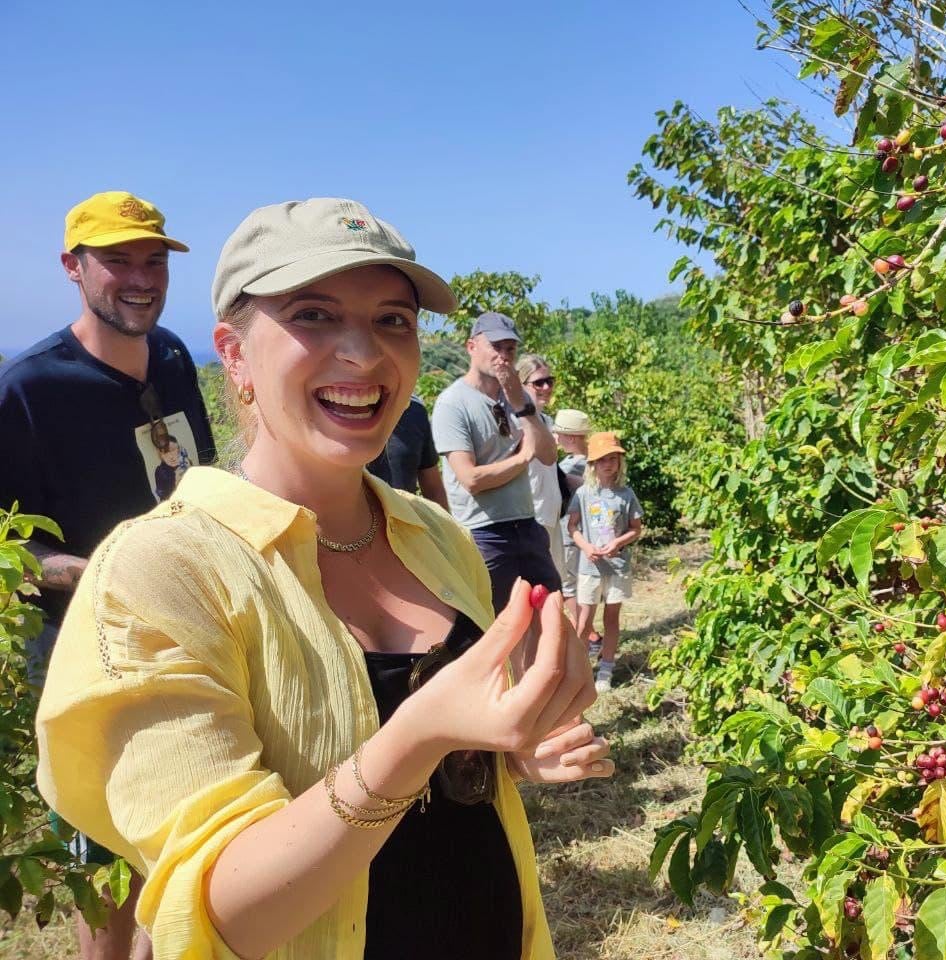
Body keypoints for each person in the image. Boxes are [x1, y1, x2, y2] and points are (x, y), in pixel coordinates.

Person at [35, 197, 610, 960]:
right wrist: (418, 735)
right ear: (232, 354)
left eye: (392, 321)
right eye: (312, 315)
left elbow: (450, 765)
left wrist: (509, 750)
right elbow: (223, 914)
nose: (364, 354)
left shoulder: (434, 534)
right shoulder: (160, 572)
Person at [0, 189, 215, 960]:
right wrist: (100, 573)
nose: (140, 277)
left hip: (190, 632)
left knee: (183, 832)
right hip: (81, 654)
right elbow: (5, 545)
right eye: (117, 260)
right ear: (72, 267)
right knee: (104, 856)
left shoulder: (176, 357)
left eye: (153, 260)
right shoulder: (29, 388)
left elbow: (198, 478)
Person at [432, 312, 561, 611]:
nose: (503, 355)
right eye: (496, 346)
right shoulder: (453, 403)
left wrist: (520, 404)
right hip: (484, 534)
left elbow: (548, 455)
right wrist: (522, 458)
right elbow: (471, 479)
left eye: (510, 349)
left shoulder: (515, 398)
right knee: (496, 625)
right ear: (471, 347)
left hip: (527, 524)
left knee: (550, 611)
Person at [567, 432, 644, 692]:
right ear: (592, 464)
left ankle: (606, 669)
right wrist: (587, 547)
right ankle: (578, 669)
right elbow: (572, 527)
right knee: (584, 620)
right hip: (590, 567)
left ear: (619, 462)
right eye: (602, 460)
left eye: (613, 459)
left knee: (612, 618)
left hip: (617, 567)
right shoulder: (583, 494)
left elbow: (636, 528)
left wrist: (618, 543)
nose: (608, 464)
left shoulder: (626, 494)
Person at [514, 353, 561, 556]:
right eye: (538, 383)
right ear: (521, 385)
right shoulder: (514, 422)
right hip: (529, 515)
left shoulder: (547, 422)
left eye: (549, 381)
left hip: (551, 513)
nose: (546, 388)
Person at [367, 394, 448, 509]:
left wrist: (444, 526)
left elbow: (433, 490)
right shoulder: (340, 412)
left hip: (408, 523)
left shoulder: (415, 411)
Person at [552, 409, 591, 628]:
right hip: (585, 532)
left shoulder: (572, 466)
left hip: (570, 532)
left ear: (571, 437)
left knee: (568, 586)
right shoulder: (595, 460)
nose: (556, 438)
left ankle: (585, 634)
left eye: (559, 433)